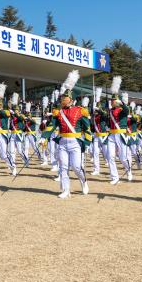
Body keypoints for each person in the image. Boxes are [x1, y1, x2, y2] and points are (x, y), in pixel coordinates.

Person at [49, 71, 90, 199]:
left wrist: (87, 143)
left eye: (65, 99)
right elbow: (52, 125)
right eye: (62, 99)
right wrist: (44, 137)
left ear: (71, 100)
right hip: (62, 142)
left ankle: (83, 181)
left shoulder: (79, 111)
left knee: (76, 167)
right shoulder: (59, 112)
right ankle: (66, 190)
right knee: (63, 167)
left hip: (75, 142)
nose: (63, 101)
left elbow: (87, 128)